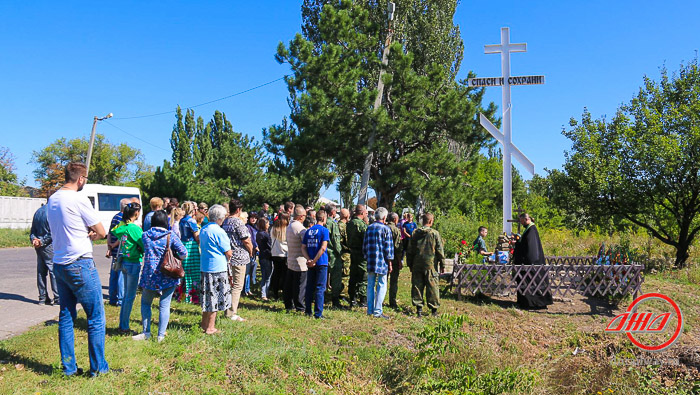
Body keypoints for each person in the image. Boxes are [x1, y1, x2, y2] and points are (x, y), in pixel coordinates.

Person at [46, 162, 109, 377]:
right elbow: (101, 231)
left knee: (66, 316)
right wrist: (92, 234)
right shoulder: (78, 198)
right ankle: (98, 368)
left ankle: (69, 368)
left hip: (60, 263)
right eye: (86, 179)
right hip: (79, 262)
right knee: (96, 316)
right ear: (80, 179)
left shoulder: (53, 198)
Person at [133, 210, 187, 342]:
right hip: (168, 274)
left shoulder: (145, 235)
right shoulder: (171, 235)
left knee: (146, 303)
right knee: (164, 305)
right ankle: (160, 335)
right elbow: (184, 253)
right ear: (165, 222)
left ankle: (146, 332)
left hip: (149, 275)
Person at [110, 202, 144, 335]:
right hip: (133, 262)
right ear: (136, 213)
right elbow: (143, 243)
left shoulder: (122, 227)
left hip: (124, 262)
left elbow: (115, 231)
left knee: (125, 296)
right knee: (129, 296)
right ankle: (124, 326)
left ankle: (122, 323)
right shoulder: (134, 228)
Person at [199, 205, 234, 334]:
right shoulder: (219, 231)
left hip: (205, 266)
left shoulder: (204, 229)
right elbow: (228, 252)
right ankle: (211, 327)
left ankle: (204, 323)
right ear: (220, 218)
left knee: (207, 296)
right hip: (217, 267)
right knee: (214, 297)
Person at [406, 212, 444, 317]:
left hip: (417, 263)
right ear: (431, 221)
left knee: (417, 286)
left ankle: (419, 309)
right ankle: (434, 310)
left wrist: (409, 263)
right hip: (430, 264)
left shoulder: (414, 233)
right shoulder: (434, 233)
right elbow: (439, 250)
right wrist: (443, 264)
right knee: (432, 286)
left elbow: (410, 250)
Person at [512, 213, 553, 310]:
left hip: (532, 263)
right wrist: (518, 242)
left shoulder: (531, 231)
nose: (521, 223)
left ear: (526, 219)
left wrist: (523, 258)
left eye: (522, 221)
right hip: (530, 262)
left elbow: (530, 249)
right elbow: (525, 244)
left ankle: (533, 303)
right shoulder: (529, 230)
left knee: (531, 282)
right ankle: (526, 302)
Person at [222, 199, 253, 322]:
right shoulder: (238, 223)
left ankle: (227, 309)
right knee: (237, 286)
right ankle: (231, 313)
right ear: (239, 210)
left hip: (228, 256)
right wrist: (251, 251)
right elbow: (246, 240)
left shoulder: (225, 222)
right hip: (239, 257)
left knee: (230, 284)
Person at [363, 207, 394, 319]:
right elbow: (389, 249)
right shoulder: (386, 229)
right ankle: (378, 311)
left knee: (370, 285)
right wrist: (390, 263)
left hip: (371, 260)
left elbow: (365, 245)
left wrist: (366, 256)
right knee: (381, 285)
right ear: (384, 217)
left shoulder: (369, 228)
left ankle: (370, 310)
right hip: (382, 261)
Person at [302, 210, 330, 319]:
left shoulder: (308, 231)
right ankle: (318, 313)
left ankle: (308, 310)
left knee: (309, 286)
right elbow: (323, 247)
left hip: (310, 263)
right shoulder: (324, 231)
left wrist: (309, 259)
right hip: (321, 262)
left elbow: (303, 247)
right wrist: (314, 260)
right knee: (320, 288)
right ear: (323, 218)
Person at [30, 204, 59, 305]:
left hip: (39, 246)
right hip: (49, 245)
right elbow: (52, 232)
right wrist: (42, 241)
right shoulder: (52, 212)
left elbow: (33, 230)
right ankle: (57, 297)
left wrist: (34, 240)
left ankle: (42, 297)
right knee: (53, 271)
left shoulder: (38, 211)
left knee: (41, 272)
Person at [106, 198, 131, 306]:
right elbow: (123, 236)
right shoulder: (124, 218)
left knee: (114, 274)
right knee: (121, 275)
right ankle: (120, 300)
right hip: (121, 250)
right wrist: (114, 245)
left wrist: (109, 247)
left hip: (114, 250)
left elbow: (110, 233)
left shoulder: (115, 217)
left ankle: (112, 297)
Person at [284, 205, 308, 312]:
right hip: (300, 261)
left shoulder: (289, 226)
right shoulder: (301, 228)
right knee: (300, 286)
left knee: (290, 285)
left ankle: (289, 304)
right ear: (301, 216)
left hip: (291, 259)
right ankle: (300, 306)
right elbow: (305, 243)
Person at [347, 204, 368, 308]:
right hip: (361, 253)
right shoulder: (362, 225)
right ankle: (363, 299)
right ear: (362, 213)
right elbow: (366, 238)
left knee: (353, 275)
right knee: (363, 276)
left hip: (352, 252)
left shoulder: (349, 223)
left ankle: (352, 298)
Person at [179, 201, 201, 303]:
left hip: (183, 244)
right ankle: (193, 296)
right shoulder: (191, 221)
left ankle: (183, 295)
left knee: (185, 271)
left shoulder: (181, 220)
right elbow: (197, 236)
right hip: (191, 246)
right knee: (194, 272)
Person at [323, 204, 344, 309]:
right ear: (332, 212)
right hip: (332, 254)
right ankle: (335, 300)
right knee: (336, 278)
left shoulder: (323, 222)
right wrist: (340, 253)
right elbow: (336, 241)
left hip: (323, 253)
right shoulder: (332, 224)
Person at [269, 213, 289, 300]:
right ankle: (284, 293)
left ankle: (275, 293)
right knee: (284, 275)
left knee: (276, 273)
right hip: (284, 254)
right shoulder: (286, 229)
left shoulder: (273, 228)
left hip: (274, 253)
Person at [386, 212, 402, 308]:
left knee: (382, 280)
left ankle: (378, 299)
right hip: (394, 258)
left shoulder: (383, 228)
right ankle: (392, 301)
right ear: (395, 219)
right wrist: (400, 260)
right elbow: (398, 247)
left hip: (383, 258)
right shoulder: (396, 230)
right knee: (393, 280)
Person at [256, 216, 273, 301]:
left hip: (261, 256)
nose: (269, 225)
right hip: (267, 256)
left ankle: (263, 293)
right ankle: (265, 293)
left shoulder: (258, 233)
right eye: (268, 223)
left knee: (263, 275)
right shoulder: (265, 235)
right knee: (268, 277)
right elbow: (270, 246)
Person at [244, 212, 259, 296]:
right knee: (247, 271)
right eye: (252, 217)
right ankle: (246, 289)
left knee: (251, 271)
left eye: (255, 218)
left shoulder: (255, 228)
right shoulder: (248, 227)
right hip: (249, 251)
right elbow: (251, 239)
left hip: (254, 252)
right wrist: (255, 247)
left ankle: (248, 288)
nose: (253, 219)